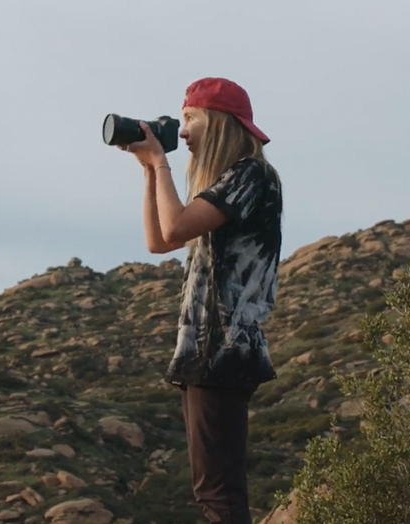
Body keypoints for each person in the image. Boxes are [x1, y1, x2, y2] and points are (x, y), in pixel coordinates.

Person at [119, 77, 282, 524]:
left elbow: (174, 229)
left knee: (218, 494)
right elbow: (158, 241)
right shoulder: (230, 180)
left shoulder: (251, 174)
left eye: (190, 117)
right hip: (205, 349)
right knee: (211, 490)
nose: (183, 128)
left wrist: (161, 163)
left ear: (220, 122)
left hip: (223, 346)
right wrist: (151, 170)